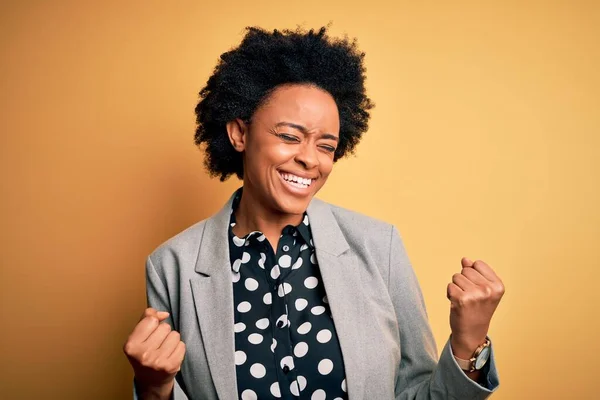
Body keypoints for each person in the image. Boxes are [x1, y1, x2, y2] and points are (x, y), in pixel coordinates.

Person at [123, 26, 504, 400]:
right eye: (289, 136)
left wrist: (467, 344)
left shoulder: (378, 246)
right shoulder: (173, 265)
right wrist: (155, 389)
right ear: (240, 134)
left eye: (326, 146)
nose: (309, 159)